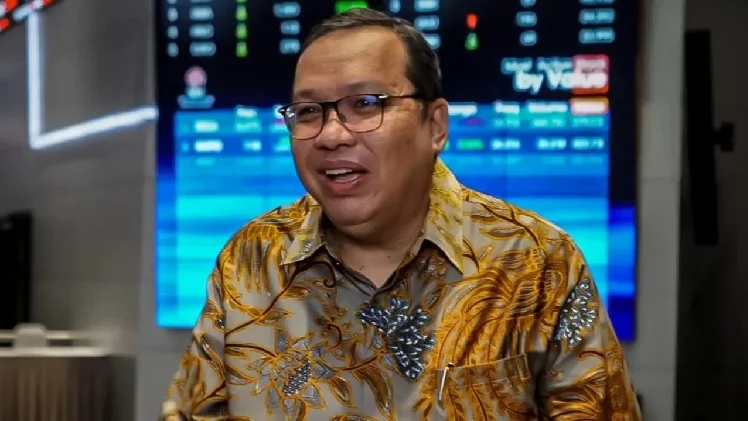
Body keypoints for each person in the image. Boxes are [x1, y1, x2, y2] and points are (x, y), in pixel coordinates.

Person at [161, 8, 641, 421]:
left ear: (436, 126)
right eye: (308, 111)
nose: (331, 135)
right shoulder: (250, 260)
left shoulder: (538, 261)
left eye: (365, 104)